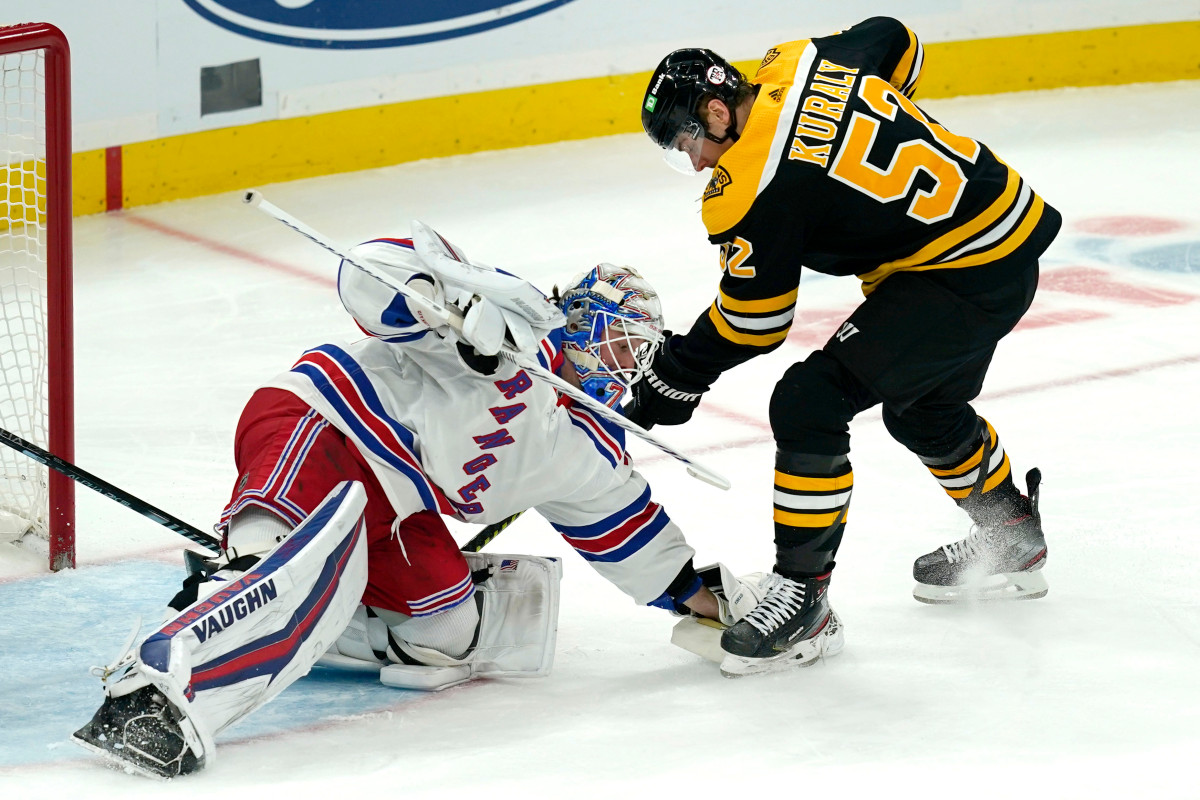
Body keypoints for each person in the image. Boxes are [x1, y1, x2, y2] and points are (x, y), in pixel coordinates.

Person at [71, 228, 752, 778]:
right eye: (615, 331)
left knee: (446, 632)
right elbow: (365, 272)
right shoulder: (507, 321)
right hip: (329, 422)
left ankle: (295, 611)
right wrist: (448, 305)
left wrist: (714, 603)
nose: (623, 354)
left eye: (636, 344)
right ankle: (154, 680)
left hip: (397, 505)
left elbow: (630, 537)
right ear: (578, 315)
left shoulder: (589, 448)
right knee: (276, 570)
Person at [634, 17, 1059, 677]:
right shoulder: (798, 61)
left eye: (689, 140)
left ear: (718, 111)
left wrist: (676, 377)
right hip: (1001, 229)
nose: (694, 163)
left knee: (809, 401)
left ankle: (805, 604)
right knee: (921, 408)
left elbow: (757, 320)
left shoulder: (750, 184)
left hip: (957, 272)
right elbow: (898, 37)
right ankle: (1012, 536)